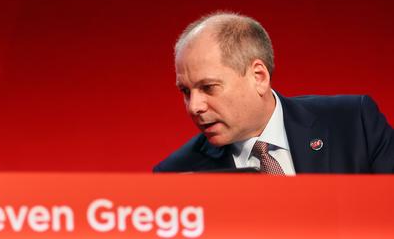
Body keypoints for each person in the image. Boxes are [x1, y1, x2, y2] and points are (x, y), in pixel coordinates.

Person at [154, 12, 394, 174]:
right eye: (186, 91)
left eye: (208, 88)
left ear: (259, 77)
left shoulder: (354, 123)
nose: (194, 106)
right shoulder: (177, 173)